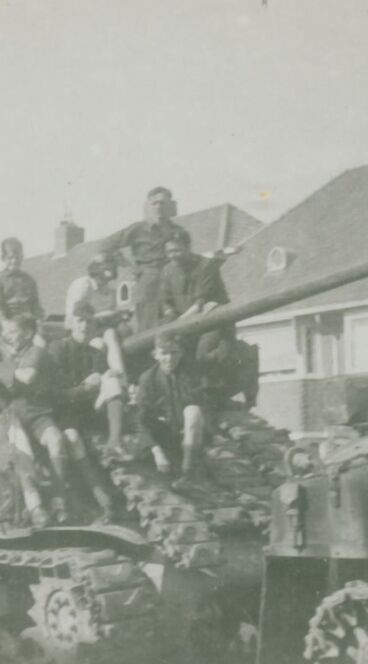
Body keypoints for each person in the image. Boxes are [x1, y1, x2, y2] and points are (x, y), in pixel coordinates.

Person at [0, 315, 112, 523]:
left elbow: (38, 381)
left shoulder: (37, 353)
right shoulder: (4, 355)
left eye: (13, 332)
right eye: (7, 333)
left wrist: (83, 389)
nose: (8, 336)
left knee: (57, 439)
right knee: (23, 452)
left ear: (28, 333)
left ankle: (60, 504)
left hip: (37, 412)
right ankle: (35, 507)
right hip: (13, 414)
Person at [160, 233, 258, 408]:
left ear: (187, 248)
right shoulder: (168, 270)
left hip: (213, 321)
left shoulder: (206, 266)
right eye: (169, 252)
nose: (173, 255)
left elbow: (200, 303)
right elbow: (165, 299)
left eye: (177, 250)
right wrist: (169, 314)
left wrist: (178, 323)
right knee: (173, 354)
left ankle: (216, 392)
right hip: (187, 324)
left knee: (203, 355)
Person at [99, 187, 190, 331]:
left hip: (173, 277)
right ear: (149, 206)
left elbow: (187, 257)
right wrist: (129, 266)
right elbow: (107, 245)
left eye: (163, 203)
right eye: (155, 203)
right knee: (148, 322)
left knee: (178, 318)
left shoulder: (179, 232)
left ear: (170, 205)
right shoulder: (138, 229)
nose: (158, 207)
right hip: (149, 277)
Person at [49, 301, 129, 464]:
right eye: (80, 321)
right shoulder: (59, 348)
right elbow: (53, 394)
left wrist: (107, 377)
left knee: (112, 380)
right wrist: (84, 388)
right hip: (66, 413)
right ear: (71, 324)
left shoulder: (96, 353)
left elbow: (104, 387)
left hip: (89, 411)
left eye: (89, 321)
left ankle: (114, 443)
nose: (84, 326)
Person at [135, 332, 207, 489]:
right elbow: (141, 420)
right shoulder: (148, 379)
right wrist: (157, 452)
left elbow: (203, 406)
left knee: (193, 411)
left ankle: (188, 473)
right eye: (164, 353)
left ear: (181, 353)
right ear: (155, 355)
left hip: (189, 437)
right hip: (163, 437)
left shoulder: (191, 374)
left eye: (174, 352)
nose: (169, 358)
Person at [64, 254, 127, 375]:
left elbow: (112, 313)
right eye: (106, 271)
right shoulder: (83, 285)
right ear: (97, 271)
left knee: (121, 332)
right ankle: (116, 375)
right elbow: (78, 315)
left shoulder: (110, 290)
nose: (107, 280)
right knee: (104, 341)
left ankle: (121, 373)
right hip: (79, 330)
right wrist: (107, 315)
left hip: (99, 328)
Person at [0, 237, 45, 321]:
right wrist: (6, 323)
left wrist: (39, 322)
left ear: (22, 257)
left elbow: (36, 306)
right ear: (3, 258)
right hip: (9, 322)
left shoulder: (30, 280)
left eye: (17, 257)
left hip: (28, 322)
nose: (14, 261)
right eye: (10, 258)